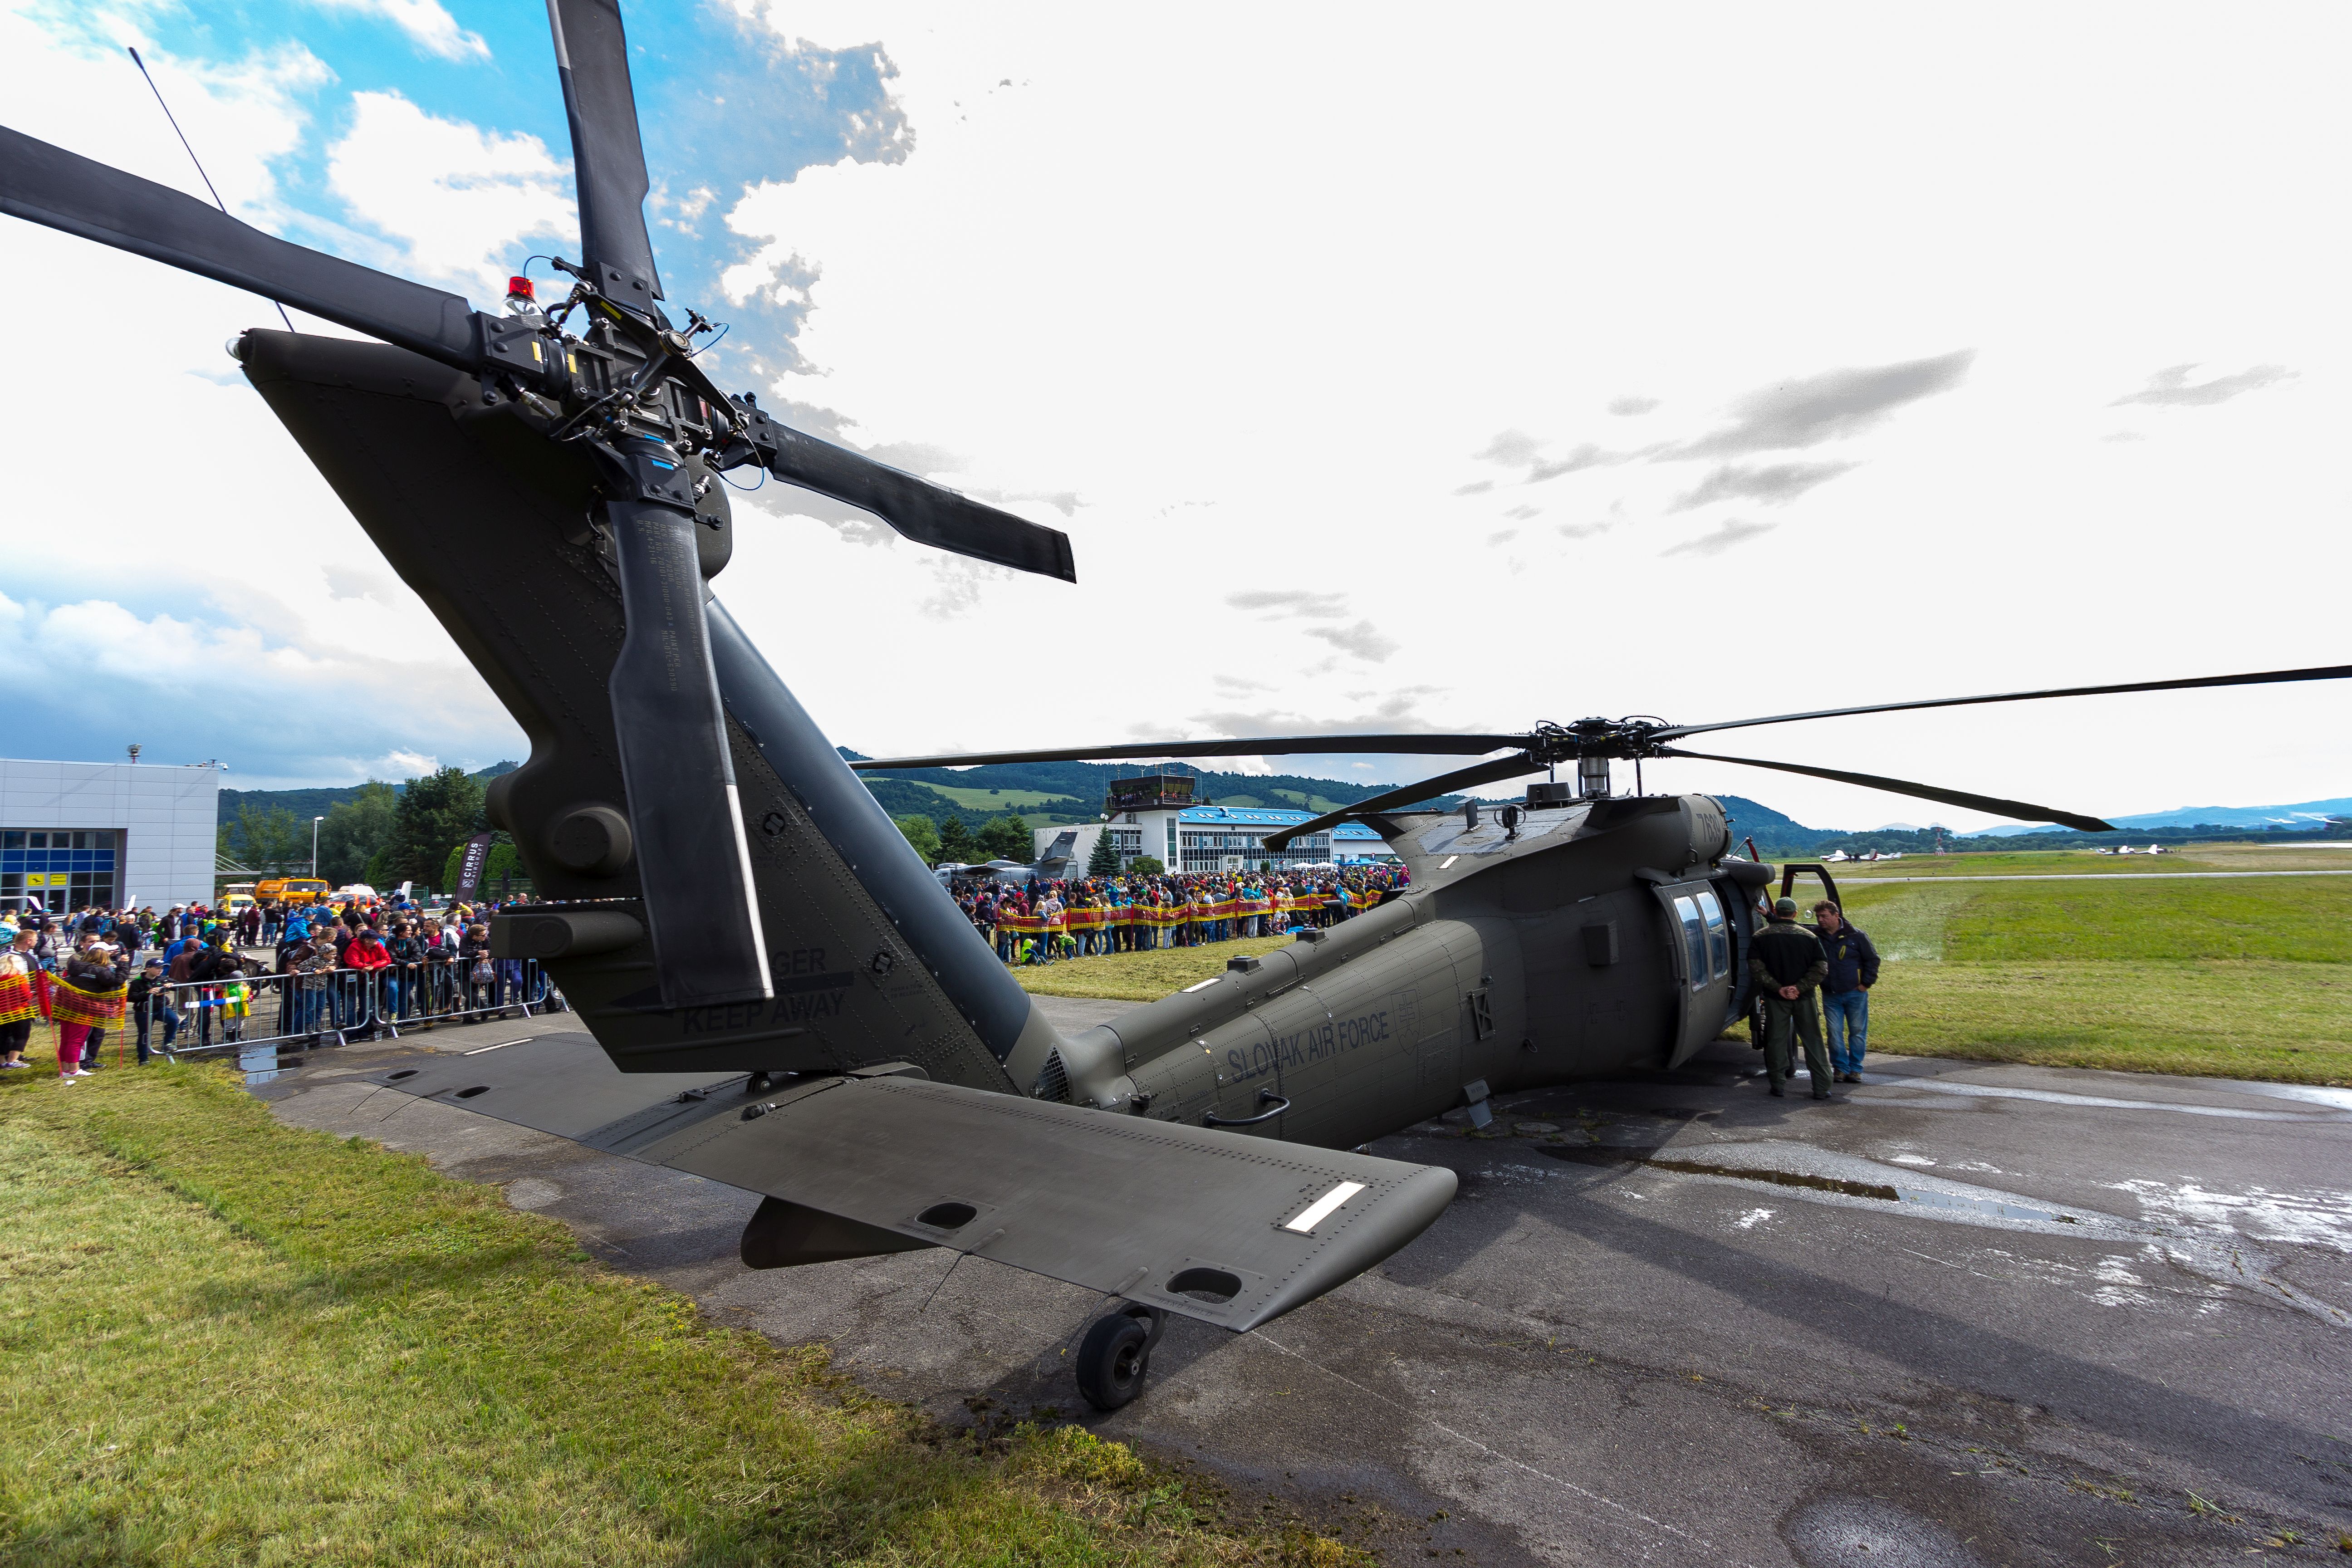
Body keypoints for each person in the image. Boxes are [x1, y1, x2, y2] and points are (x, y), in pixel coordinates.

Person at [1748, 896, 1832, 1100]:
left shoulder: (1760, 937)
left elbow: (1756, 969)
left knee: (1776, 1041)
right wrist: (1799, 988)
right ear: (1795, 914)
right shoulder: (1810, 937)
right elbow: (1821, 968)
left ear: (1776, 912)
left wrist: (1779, 989)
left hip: (1775, 999)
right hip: (1805, 998)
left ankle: (1777, 1084)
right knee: (1813, 1041)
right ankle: (1821, 1088)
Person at [1811, 901, 1880, 1083]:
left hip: (1855, 993)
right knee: (1834, 1032)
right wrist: (1770, 916)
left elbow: (1873, 960)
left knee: (1857, 1031)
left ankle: (1855, 1069)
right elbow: (1791, 926)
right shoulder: (1816, 935)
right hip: (1830, 994)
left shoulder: (1857, 936)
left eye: (1824, 916)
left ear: (1836, 916)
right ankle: (1840, 1068)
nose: (1820, 920)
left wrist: (1866, 984)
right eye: (1818, 917)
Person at [53, 941, 130, 1080]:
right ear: (102, 955)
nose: (111, 954)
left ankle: (65, 1070)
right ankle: (74, 1070)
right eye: (109, 952)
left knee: (66, 1040)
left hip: (67, 1008)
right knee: (76, 1041)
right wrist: (123, 965)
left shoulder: (75, 968)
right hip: (85, 1009)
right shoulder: (99, 970)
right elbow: (117, 981)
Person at [127, 956, 180, 1061]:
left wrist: (173, 984)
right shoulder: (137, 982)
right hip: (144, 1011)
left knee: (174, 1020)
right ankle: (143, 1059)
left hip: (161, 1008)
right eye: (157, 968)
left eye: (162, 968)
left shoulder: (163, 979)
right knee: (145, 1035)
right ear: (148, 969)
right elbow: (130, 998)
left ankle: (167, 1043)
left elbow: (180, 985)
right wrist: (147, 993)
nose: (160, 970)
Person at [0, 926, 38, 1069]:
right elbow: (24, 993)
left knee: (4, 1034)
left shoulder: (30, 954)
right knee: (20, 1034)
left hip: (6, 1009)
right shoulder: (10, 956)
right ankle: (13, 1059)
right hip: (19, 1008)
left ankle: (5, 1060)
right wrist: (33, 999)